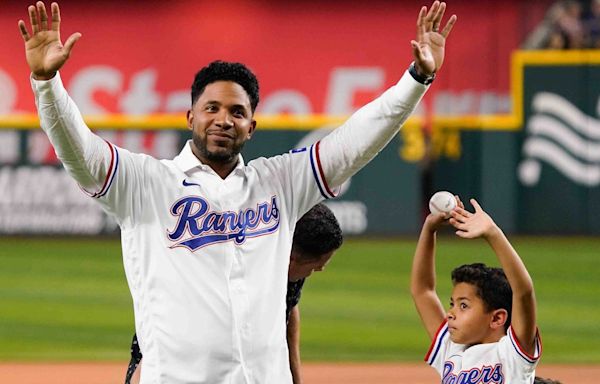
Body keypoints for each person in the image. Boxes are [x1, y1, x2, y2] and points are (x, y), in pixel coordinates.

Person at [18, 1, 456, 383]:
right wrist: (46, 85)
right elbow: (80, 151)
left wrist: (416, 78)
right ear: (190, 116)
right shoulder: (145, 184)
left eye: (237, 111)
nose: (223, 119)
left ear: (252, 126)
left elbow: (355, 140)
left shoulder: (280, 183)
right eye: (211, 108)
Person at [124, 203, 343, 384]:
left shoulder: (289, 265)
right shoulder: (223, 271)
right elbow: (167, 328)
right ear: (289, 259)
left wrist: (295, 377)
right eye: (316, 266)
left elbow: (289, 307)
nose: (319, 270)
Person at [410, 197, 542, 383]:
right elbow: (422, 290)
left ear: (497, 318)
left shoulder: (511, 355)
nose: (450, 313)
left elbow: (523, 291)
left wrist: (493, 233)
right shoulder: (451, 350)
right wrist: (429, 229)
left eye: (463, 305)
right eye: (452, 304)